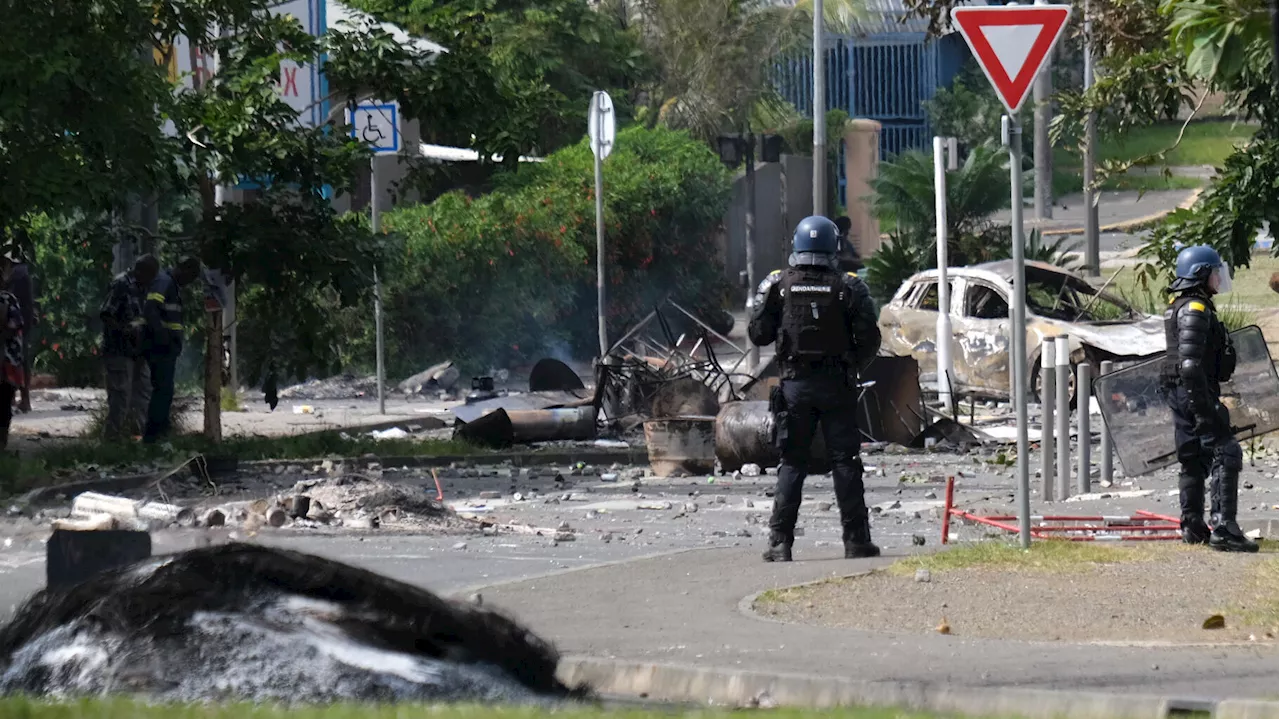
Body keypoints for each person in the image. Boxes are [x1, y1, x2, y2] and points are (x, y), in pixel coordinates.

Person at [748, 216, 882, 562]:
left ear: (796, 244)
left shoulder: (778, 285)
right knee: (845, 462)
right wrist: (851, 366)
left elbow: (758, 334)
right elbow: (870, 339)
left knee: (792, 462)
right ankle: (856, 541)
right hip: (837, 385)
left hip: (795, 387)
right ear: (833, 245)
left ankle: (780, 543)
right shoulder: (848, 286)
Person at [1161, 245, 1256, 553]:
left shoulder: (1179, 305)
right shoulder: (1195, 309)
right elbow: (1189, 364)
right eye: (1215, 272)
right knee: (1225, 450)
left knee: (1193, 457)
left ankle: (1192, 525)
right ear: (1201, 274)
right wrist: (1205, 408)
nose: (1218, 278)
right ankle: (1224, 527)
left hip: (1181, 392)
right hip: (1194, 391)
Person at [141, 256, 200, 444]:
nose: (189, 283)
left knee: (165, 390)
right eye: (190, 277)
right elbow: (150, 310)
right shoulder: (164, 282)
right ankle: (153, 436)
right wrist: (163, 337)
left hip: (166, 347)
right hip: (160, 348)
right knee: (163, 390)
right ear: (184, 269)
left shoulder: (170, 284)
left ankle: (161, 433)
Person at [100, 255, 159, 441]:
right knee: (120, 398)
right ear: (140, 271)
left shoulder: (145, 288)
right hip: (118, 351)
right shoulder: (121, 284)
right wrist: (125, 330)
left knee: (144, 395)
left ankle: (145, 438)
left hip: (138, 352)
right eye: (150, 275)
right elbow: (106, 314)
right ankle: (111, 440)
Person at [0, 242, 34, 414]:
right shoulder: (22, 272)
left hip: (14, 324)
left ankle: (23, 398)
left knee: (16, 359)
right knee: (18, 359)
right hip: (19, 323)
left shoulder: (17, 274)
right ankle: (18, 398)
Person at [0, 250, 25, 450]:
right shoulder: (8, 299)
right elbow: (14, 326)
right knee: (4, 406)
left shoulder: (8, 299)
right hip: (7, 362)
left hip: (6, 361)